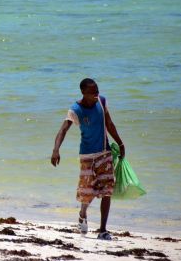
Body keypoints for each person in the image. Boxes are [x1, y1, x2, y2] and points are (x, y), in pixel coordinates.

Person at [51, 78, 125, 240]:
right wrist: (56, 149)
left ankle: (103, 230)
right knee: (87, 193)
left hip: (104, 153)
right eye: (93, 92)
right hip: (87, 156)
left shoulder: (102, 101)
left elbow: (110, 124)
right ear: (83, 93)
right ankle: (83, 213)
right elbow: (63, 130)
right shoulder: (76, 109)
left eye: (97, 90)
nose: (96, 94)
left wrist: (120, 143)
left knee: (107, 190)